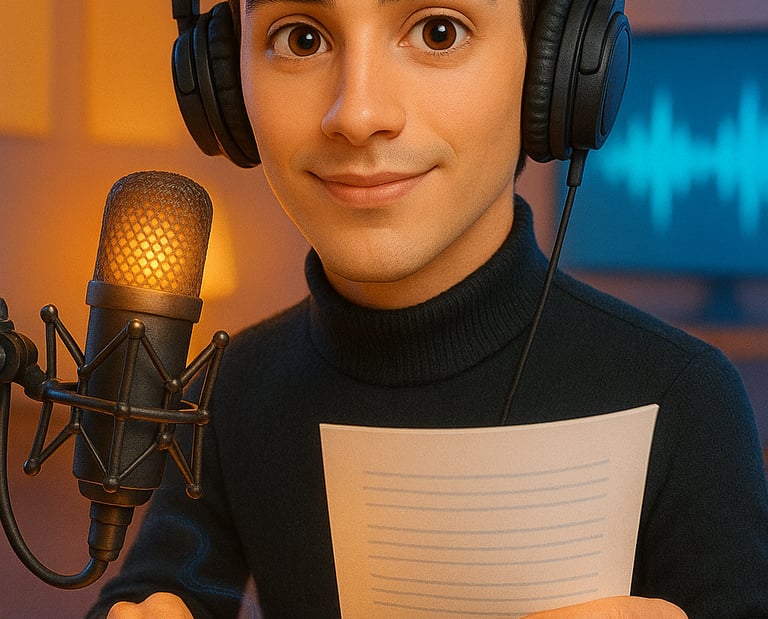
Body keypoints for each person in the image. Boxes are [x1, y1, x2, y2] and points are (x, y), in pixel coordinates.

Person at [91, 0, 768, 617]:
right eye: (300, 39)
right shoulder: (231, 388)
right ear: (223, 86)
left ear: (554, 70)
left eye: (438, 32)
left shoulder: (686, 398)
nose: (356, 114)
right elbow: (150, 595)